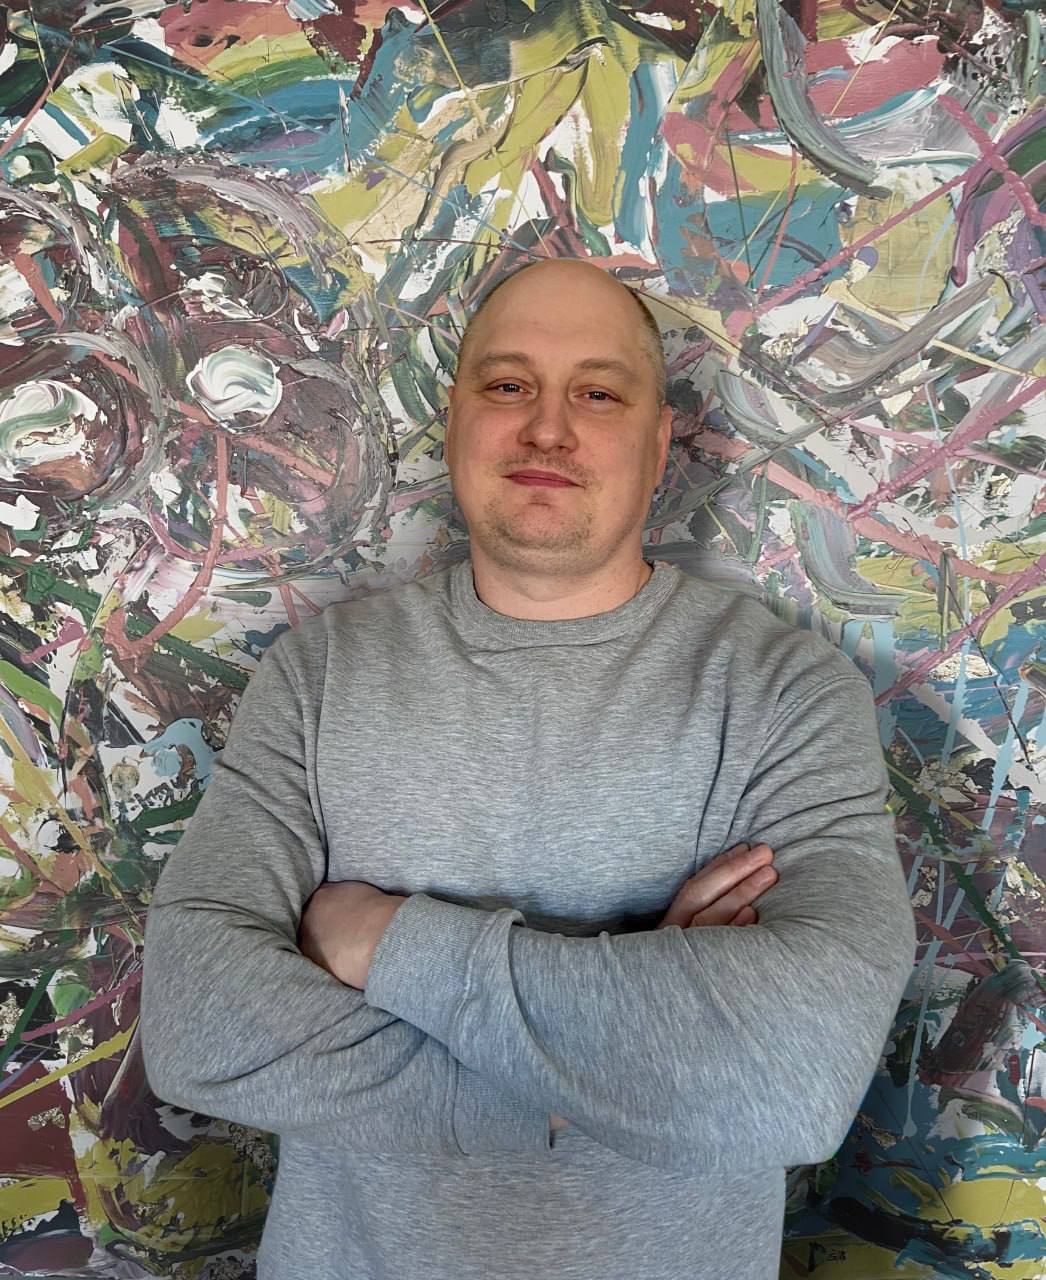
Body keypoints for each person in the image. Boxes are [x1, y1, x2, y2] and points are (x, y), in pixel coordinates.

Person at [139, 257, 917, 1280]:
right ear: (455, 417)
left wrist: (382, 941)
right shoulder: (319, 673)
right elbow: (199, 1023)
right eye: (508, 384)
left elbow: (791, 1079)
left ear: (657, 441)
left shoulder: (786, 692)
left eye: (597, 394)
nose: (547, 428)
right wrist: (613, 1055)